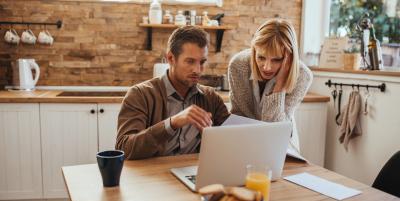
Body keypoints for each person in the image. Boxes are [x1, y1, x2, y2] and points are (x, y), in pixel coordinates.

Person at [116, 26, 230, 160]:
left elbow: (232, 138)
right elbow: (124, 148)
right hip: (153, 175)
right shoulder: (140, 94)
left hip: (194, 174)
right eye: (190, 61)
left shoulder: (210, 97)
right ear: (170, 58)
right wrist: (172, 123)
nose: (198, 70)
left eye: (202, 62)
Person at [227, 19, 313, 153]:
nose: (267, 67)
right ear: (254, 50)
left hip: (282, 145)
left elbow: (275, 130)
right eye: (261, 57)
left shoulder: (302, 76)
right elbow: (239, 116)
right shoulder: (238, 65)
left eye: (276, 59)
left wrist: (280, 85)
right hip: (244, 141)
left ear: (289, 57)